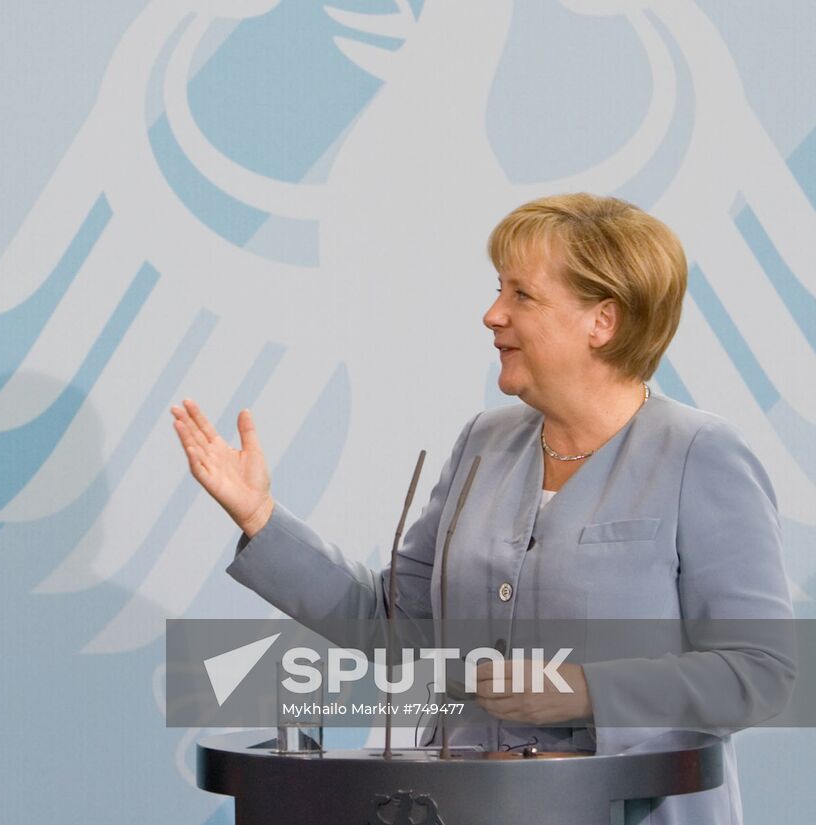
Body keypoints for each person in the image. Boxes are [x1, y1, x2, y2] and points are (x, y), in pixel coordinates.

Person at [171, 193, 793, 824]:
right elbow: (398, 624)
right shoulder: (483, 443)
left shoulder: (700, 455)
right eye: (499, 291)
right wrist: (259, 517)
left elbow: (761, 673)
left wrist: (585, 692)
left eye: (521, 295)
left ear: (602, 320)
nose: (492, 315)